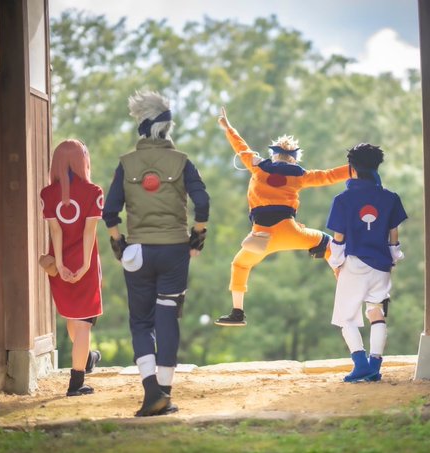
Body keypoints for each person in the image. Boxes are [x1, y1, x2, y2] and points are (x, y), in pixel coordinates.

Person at [103, 90, 210, 417]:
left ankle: (151, 391)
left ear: (142, 126)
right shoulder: (182, 161)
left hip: (138, 251)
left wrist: (118, 243)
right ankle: (165, 391)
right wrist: (197, 236)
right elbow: (202, 202)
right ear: (166, 128)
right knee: (167, 316)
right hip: (175, 250)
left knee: (141, 321)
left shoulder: (126, 163)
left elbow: (110, 212)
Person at [214, 106, 348, 327]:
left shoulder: (258, 166)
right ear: (294, 159)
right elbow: (329, 176)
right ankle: (346, 287)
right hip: (290, 231)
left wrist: (227, 127)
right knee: (328, 244)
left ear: (274, 155)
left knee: (240, 265)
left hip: (261, 237)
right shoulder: (300, 175)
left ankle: (237, 313)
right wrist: (355, 169)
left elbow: (240, 146)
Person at [325, 143, 408, 382]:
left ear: (352, 168)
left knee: (346, 317)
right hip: (382, 265)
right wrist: (394, 256)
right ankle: (375, 365)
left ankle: (360, 364)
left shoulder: (343, 200)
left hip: (354, 264)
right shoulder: (391, 198)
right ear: (377, 166)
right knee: (376, 311)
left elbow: (338, 237)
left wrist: (336, 261)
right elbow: (394, 234)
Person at [39, 139, 104, 396]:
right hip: (84, 263)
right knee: (84, 322)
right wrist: (85, 264)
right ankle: (77, 383)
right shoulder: (94, 192)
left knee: (71, 316)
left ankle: (85, 358)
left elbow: (55, 231)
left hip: (60, 264)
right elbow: (89, 232)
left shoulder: (47, 194)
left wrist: (61, 263)